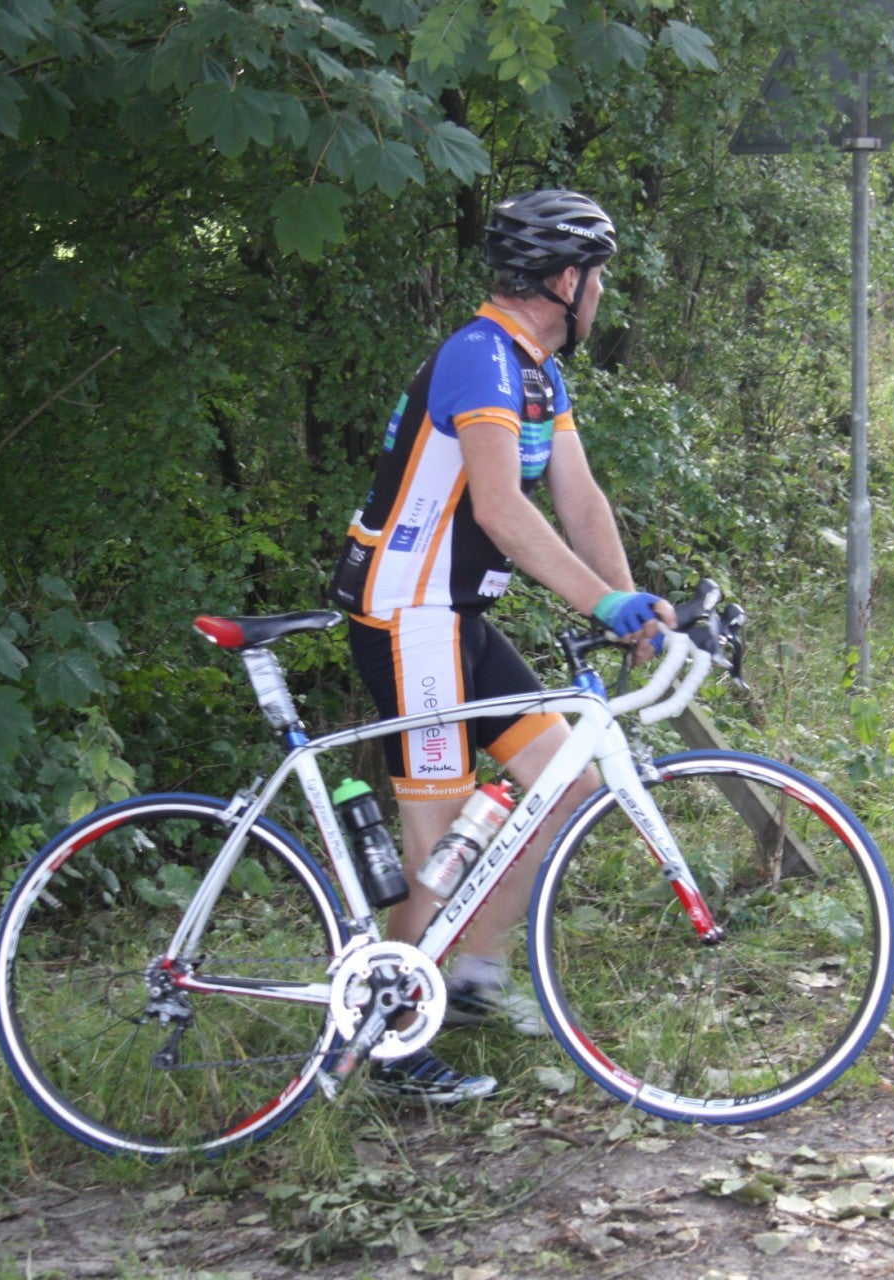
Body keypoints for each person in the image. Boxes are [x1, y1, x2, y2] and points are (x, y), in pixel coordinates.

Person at [327, 189, 674, 1103]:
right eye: (598, 276)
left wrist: (629, 602)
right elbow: (500, 510)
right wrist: (602, 603)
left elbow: (579, 499)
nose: (603, 293)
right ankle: (389, 1039)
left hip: (457, 620)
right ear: (566, 280)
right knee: (439, 835)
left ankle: (471, 979)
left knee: (570, 786)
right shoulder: (478, 359)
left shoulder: (535, 372)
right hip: (409, 618)